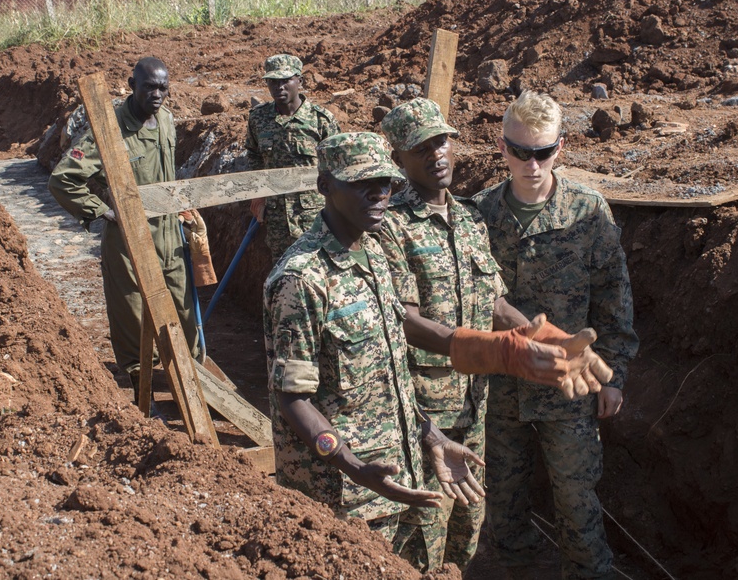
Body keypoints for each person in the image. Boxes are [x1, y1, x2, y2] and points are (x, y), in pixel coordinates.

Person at [264, 131, 584, 567]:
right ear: (325, 186)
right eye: (362, 184)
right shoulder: (301, 281)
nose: (378, 195)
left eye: (385, 184)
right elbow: (291, 397)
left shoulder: (373, 255)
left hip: (402, 472)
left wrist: (430, 436)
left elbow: (388, 372)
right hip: (343, 495)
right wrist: (353, 465)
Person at [473, 90, 639, 580]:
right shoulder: (479, 216)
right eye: (520, 152)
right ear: (502, 149)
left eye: (543, 152)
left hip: (570, 389)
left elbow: (614, 301)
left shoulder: (589, 214)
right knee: (501, 502)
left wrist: (615, 376)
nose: (532, 164)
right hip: (500, 386)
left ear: (560, 148)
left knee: (575, 498)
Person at [375, 97, 503, 571]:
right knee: (423, 539)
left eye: (442, 141)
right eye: (422, 148)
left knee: (468, 532)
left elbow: (492, 300)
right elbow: (403, 320)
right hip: (424, 412)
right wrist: (476, 345)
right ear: (399, 161)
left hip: (474, 407)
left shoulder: (469, 218)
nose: (438, 154)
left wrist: (535, 333)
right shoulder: (390, 228)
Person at [49, 57, 199, 403]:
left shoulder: (166, 120)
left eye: (163, 87)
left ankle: (190, 380)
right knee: (132, 313)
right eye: (149, 87)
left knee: (181, 306)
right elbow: (63, 179)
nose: (157, 94)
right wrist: (101, 211)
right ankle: (141, 387)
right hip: (129, 238)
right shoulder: (109, 128)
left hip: (168, 232)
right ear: (132, 85)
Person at [245, 53, 340, 262]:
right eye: (273, 81)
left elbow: (338, 167)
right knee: (283, 274)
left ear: (300, 81)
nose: (279, 87)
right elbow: (253, 154)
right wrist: (259, 193)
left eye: (285, 80)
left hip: (315, 217)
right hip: (277, 218)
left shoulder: (321, 120)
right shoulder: (258, 118)